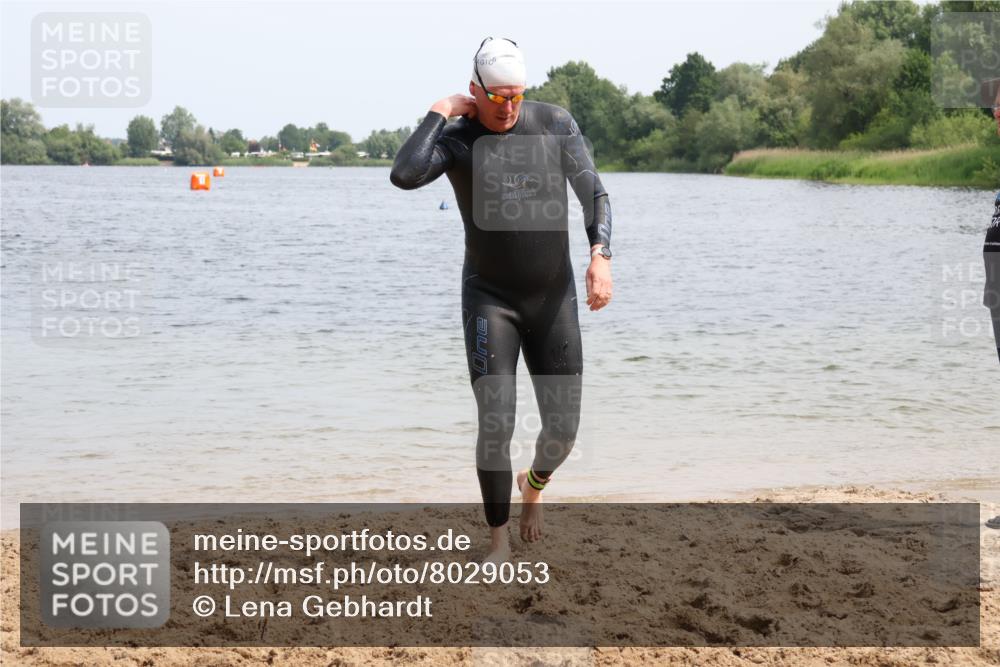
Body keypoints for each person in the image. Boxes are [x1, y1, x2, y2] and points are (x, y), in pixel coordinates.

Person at [390, 37, 613, 560]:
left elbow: (595, 193)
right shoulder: (460, 137)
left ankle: (531, 487)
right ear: (475, 91)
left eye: (517, 96)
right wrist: (438, 112)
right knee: (497, 421)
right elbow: (404, 175)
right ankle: (496, 539)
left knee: (562, 432)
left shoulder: (554, 124)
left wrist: (600, 254)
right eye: (497, 97)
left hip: (552, 298)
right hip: (490, 298)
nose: (508, 107)